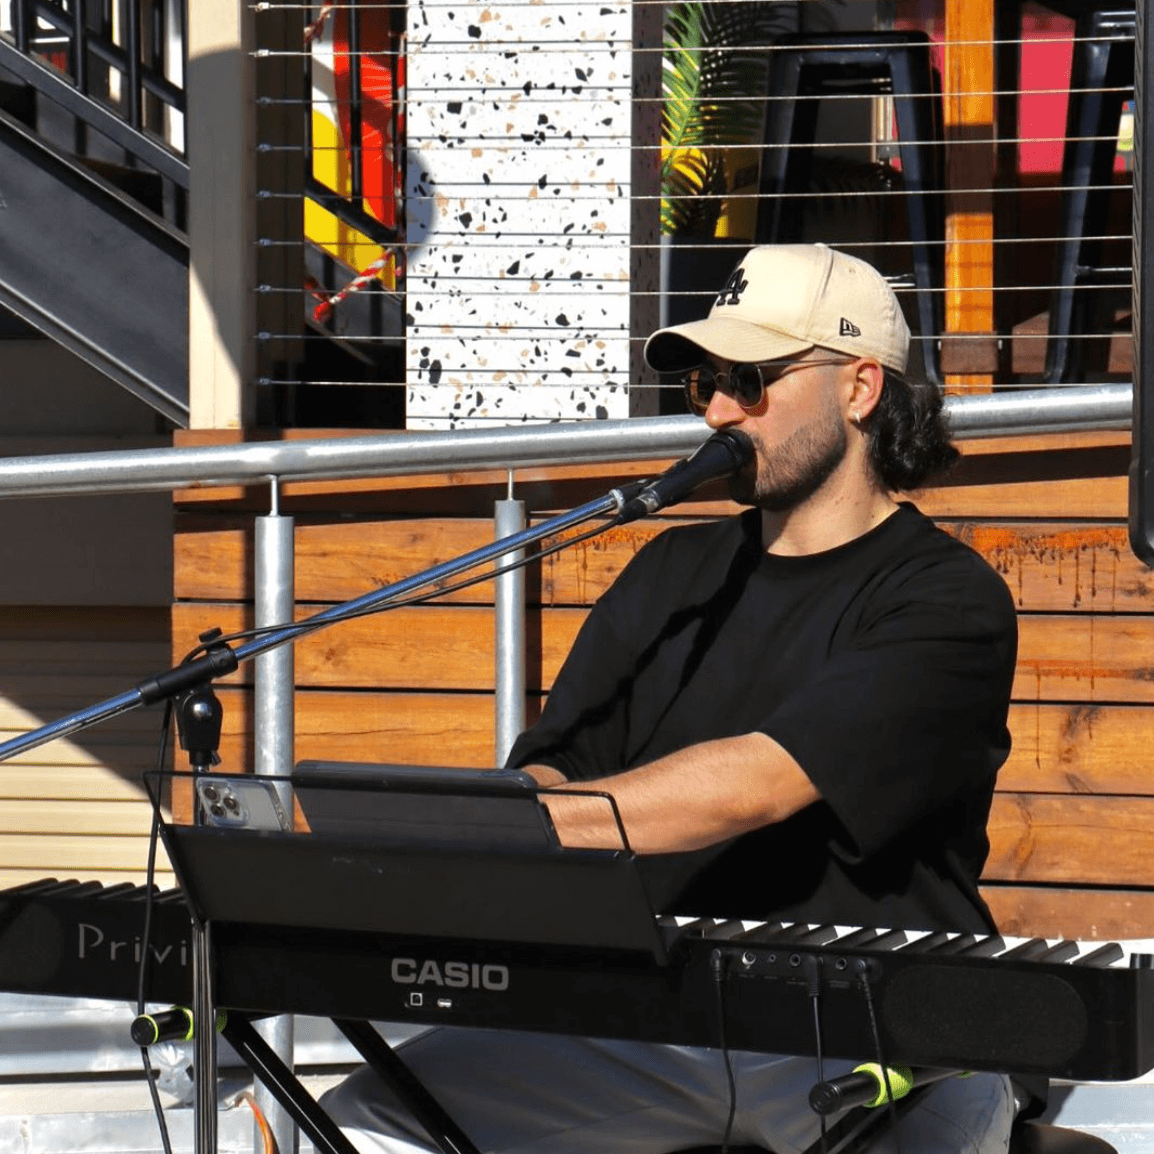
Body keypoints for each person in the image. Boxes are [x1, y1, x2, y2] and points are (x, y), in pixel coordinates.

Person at [322, 244, 1019, 1153]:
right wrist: (440, 842)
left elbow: (760, 785)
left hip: (876, 1020)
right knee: (353, 1126)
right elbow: (558, 766)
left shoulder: (946, 596)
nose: (720, 408)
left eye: (752, 378)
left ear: (859, 388)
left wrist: (508, 824)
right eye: (705, 383)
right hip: (658, 1016)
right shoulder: (672, 571)